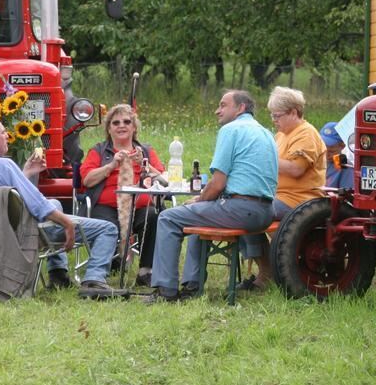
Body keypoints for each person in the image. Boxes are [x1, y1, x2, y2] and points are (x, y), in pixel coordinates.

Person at [0, 113, 118, 294]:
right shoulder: (4, 165)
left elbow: (6, 196)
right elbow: (38, 206)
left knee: (55, 204)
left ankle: (58, 274)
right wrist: (67, 224)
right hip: (24, 231)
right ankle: (94, 281)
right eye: (3, 132)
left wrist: (24, 173)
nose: (7, 136)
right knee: (108, 229)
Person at [144, 90, 278, 302]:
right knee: (199, 215)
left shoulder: (231, 130)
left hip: (241, 209)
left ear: (241, 108)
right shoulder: (267, 133)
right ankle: (192, 285)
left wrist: (200, 199)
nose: (217, 111)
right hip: (266, 211)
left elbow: (217, 183)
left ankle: (165, 291)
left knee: (168, 218)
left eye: (223, 105)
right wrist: (203, 203)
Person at [239, 86, 326, 291]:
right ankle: (267, 267)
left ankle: (267, 270)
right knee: (242, 208)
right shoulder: (281, 135)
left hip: (301, 200)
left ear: (294, 112)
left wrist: (264, 159)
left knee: (249, 211)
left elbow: (296, 169)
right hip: (279, 197)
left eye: (277, 115)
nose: (273, 120)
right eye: (271, 115)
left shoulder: (306, 134)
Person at [79, 104, 166, 286]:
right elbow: (87, 180)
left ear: (134, 127)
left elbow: (164, 181)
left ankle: (145, 271)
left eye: (127, 122)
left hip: (140, 206)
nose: (121, 126)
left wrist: (144, 165)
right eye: (115, 122)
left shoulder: (146, 151)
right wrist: (111, 166)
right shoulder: (99, 151)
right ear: (109, 129)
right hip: (107, 207)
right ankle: (105, 267)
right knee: (106, 225)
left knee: (153, 216)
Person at [319, 121, 353, 190]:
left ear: (342, 146)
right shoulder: (317, 160)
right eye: (323, 149)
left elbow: (346, 194)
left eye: (331, 151)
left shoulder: (344, 166)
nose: (326, 154)